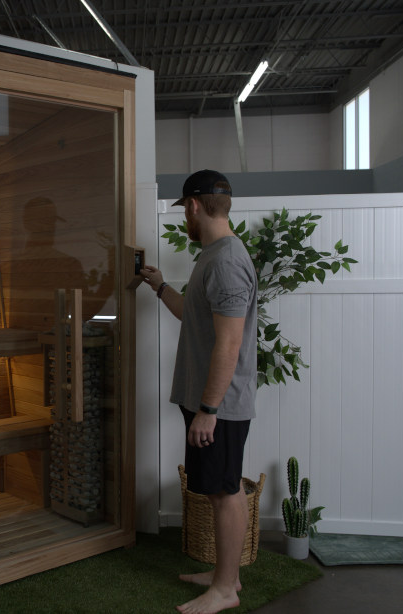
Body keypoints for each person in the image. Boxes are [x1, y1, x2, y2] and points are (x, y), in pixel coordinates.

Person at [141, 169, 257, 614]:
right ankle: (224, 575)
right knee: (216, 488)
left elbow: (229, 343)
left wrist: (209, 408)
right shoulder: (214, 255)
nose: (184, 220)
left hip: (219, 407)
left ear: (193, 206)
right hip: (208, 402)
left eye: (183, 212)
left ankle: (226, 590)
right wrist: (160, 287)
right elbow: (195, 319)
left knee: (225, 490)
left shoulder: (226, 262)